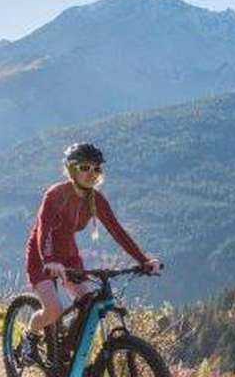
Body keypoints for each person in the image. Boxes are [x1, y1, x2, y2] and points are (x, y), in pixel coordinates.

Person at [20, 141, 159, 357]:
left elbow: (117, 231)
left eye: (96, 168)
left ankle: (67, 348)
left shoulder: (96, 200)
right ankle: (30, 334)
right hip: (41, 256)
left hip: (69, 256)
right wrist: (48, 259)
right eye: (85, 167)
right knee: (54, 309)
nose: (91, 173)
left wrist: (143, 260)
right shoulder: (56, 194)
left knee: (90, 303)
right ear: (71, 169)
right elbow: (43, 230)